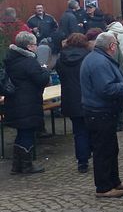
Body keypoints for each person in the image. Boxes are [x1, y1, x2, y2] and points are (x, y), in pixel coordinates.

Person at [80, 32, 123, 197]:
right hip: (99, 112)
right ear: (112, 46)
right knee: (103, 151)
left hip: (102, 111)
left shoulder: (98, 59)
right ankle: (103, 187)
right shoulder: (99, 62)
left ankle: (114, 181)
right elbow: (106, 89)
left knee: (111, 149)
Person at [5, 31, 50, 175]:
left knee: (21, 133)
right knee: (27, 133)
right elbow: (41, 80)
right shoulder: (29, 62)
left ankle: (16, 165)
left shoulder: (11, 58)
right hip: (27, 103)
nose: (37, 47)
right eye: (35, 45)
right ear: (29, 46)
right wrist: (44, 70)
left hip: (14, 102)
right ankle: (26, 166)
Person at [56, 33, 91, 173]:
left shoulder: (61, 58)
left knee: (79, 132)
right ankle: (90, 151)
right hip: (87, 98)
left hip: (70, 99)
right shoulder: (88, 57)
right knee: (91, 129)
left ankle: (82, 161)